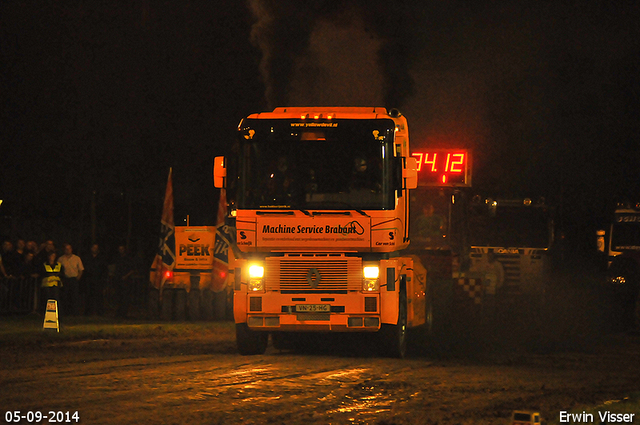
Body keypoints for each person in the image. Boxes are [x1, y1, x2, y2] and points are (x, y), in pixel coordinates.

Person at [59, 243, 84, 315]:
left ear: (71, 249)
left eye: (69, 248)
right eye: (66, 249)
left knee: (74, 296)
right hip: (65, 279)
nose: (67, 250)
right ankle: (66, 312)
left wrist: (77, 278)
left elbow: (81, 270)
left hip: (74, 279)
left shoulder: (76, 258)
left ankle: (75, 312)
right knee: (65, 296)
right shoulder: (61, 259)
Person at [82, 243, 108, 316]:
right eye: (93, 247)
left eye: (96, 248)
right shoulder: (87, 258)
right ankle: (88, 312)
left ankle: (100, 312)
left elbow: (105, 270)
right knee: (88, 296)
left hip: (99, 280)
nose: (95, 249)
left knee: (99, 297)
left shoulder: (101, 258)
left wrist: (104, 280)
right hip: (89, 280)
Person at [113, 244, 136, 318]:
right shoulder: (117, 258)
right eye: (120, 249)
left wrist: (126, 276)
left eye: (122, 249)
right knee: (118, 297)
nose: (121, 250)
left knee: (125, 297)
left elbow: (132, 269)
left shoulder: (128, 258)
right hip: (118, 280)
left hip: (126, 281)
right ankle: (118, 313)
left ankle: (124, 313)